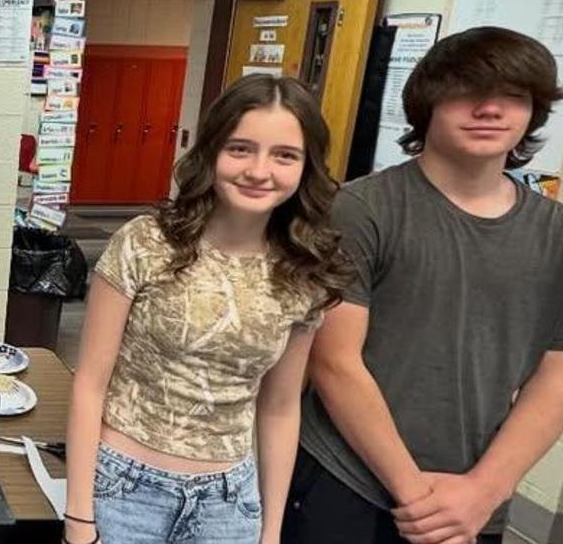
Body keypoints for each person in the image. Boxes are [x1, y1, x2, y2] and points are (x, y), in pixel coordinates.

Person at [287, 27, 563, 544]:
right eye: (468, 92)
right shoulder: (362, 209)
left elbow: (557, 378)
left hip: (471, 501)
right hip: (348, 480)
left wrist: (483, 491)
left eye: (513, 97)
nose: (490, 109)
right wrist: (418, 499)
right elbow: (336, 361)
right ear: (427, 102)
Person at [64, 75, 350, 544]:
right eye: (240, 148)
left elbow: (279, 409)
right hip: (124, 489)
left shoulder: (305, 270)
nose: (259, 171)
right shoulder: (146, 242)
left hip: (229, 503)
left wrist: (271, 530)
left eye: (284, 155)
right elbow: (90, 383)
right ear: (212, 151)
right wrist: (79, 519)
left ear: (306, 167)